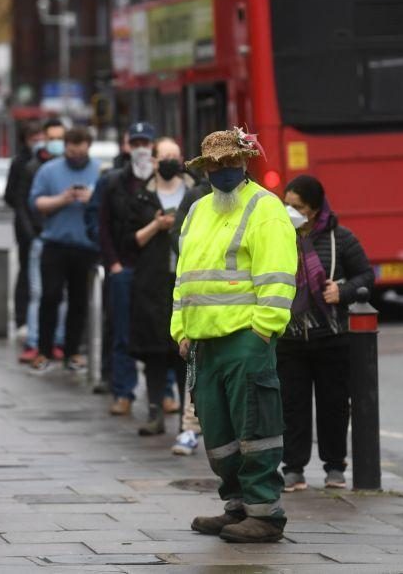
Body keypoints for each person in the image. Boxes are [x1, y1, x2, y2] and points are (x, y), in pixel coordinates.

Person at [172, 127, 297, 544]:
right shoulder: (197, 211)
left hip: (246, 338)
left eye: (230, 163)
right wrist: (181, 330)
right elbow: (185, 278)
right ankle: (238, 507)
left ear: (244, 163)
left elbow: (277, 276)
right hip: (204, 343)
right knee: (220, 436)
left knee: (256, 430)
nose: (223, 170)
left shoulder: (265, 208)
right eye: (215, 165)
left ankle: (265, 514)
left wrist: (263, 331)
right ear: (205, 169)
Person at [278, 175, 374, 492]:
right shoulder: (277, 237)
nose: (291, 212)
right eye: (286, 205)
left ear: (315, 208)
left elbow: (366, 275)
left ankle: (335, 467)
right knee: (292, 405)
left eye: (298, 207)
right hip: (290, 339)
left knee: (334, 404)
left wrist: (343, 290)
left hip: (331, 337)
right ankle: (293, 468)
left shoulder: (341, 238)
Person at [127, 137, 195, 436]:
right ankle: (155, 411)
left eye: (174, 156)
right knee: (154, 350)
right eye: (164, 156)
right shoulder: (142, 197)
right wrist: (157, 226)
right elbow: (130, 241)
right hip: (152, 284)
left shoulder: (196, 195)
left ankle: (186, 417)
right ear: (153, 161)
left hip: (185, 282)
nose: (169, 162)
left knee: (183, 350)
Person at [95, 122, 156, 415]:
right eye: (136, 143)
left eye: (146, 143)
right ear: (127, 146)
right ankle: (123, 392)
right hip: (124, 267)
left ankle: (165, 391)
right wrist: (113, 264)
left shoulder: (162, 180)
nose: (141, 149)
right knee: (122, 331)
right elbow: (103, 226)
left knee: (160, 332)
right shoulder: (113, 182)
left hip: (154, 269)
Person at [29, 126, 101, 371]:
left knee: (79, 301)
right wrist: (63, 199)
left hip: (86, 246)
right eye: (71, 150)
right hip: (55, 245)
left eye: (80, 150)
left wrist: (91, 198)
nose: (75, 155)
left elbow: (109, 205)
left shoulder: (100, 171)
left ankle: (72, 352)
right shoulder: (49, 171)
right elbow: (37, 203)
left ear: (88, 146)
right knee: (50, 296)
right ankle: (43, 350)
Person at [15, 119, 67, 363]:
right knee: (38, 292)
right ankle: (35, 342)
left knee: (61, 294)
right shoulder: (34, 167)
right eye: (52, 138)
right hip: (42, 238)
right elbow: (23, 205)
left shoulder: (68, 168)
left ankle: (57, 340)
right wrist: (32, 235)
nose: (57, 143)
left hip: (64, 239)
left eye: (61, 138)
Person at [4, 120, 45, 336]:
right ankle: (22, 319)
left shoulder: (48, 160)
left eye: (40, 137)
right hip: (26, 228)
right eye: (33, 138)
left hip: (44, 226)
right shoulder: (20, 163)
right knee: (26, 272)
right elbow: (12, 196)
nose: (38, 142)